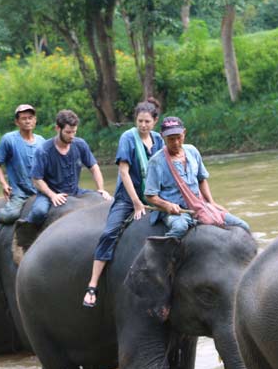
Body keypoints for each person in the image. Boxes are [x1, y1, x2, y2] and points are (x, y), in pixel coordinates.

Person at [82, 100, 165, 307]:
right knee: (109, 232)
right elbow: (124, 172)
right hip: (129, 198)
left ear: (155, 121)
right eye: (140, 121)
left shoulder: (158, 140)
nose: (143, 125)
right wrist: (137, 204)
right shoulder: (128, 138)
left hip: (154, 195)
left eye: (147, 121)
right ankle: (92, 284)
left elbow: (164, 169)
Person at [144, 116, 250, 239]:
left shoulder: (192, 151)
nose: (176, 143)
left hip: (199, 205)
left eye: (179, 137)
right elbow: (150, 196)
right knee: (180, 227)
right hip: (177, 211)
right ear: (162, 136)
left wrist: (211, 202)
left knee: (243, 226)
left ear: (184, 133)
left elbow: (201, 179)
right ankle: (163, 254)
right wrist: (167, 205)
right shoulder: (156, 161)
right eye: (171, 139)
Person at [20, 109, 112, 229]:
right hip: (49, 193)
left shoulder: (80, 144)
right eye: (68, 132)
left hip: (75, 190)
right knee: (39, 212)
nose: (72, 136)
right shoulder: (43, 151)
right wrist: (52, 195)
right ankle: (24, 230)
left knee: (111, 201)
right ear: (58, 128)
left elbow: (94, 167)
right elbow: (36, 179)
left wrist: (101, 189)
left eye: (74, 132)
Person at [0, 104, 45, 230]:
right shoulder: (9, 139)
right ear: (17, 122)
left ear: (35, 120)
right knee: (12, 214)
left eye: (30, 118)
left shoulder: (42, 141)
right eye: (23, 118)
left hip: (39, 189)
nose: (27, 121)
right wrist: (4, 184)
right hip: (19, 191)